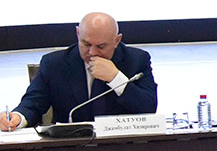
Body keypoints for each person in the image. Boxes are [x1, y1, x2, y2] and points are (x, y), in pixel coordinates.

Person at [2, 12, 158, 131]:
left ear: (116, 40)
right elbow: (33, 104)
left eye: (101, 46)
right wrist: (17, 118)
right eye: (86, 44)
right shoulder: (55, 64)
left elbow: (148, 108)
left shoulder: (137, 60)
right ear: (78, 34)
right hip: (70, 148)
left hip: (121, 148)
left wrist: (116, 78)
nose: (92, 52)